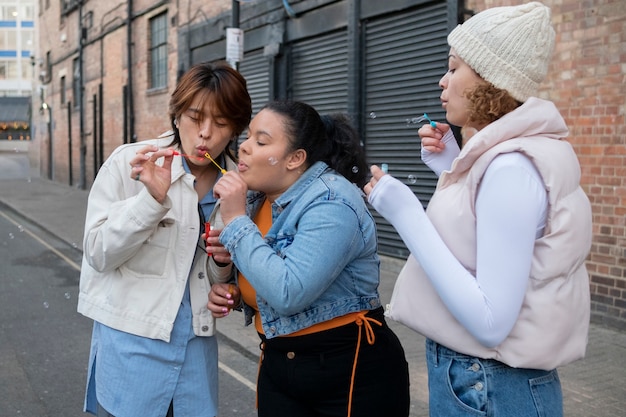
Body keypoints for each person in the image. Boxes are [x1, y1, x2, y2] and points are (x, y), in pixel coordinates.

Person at [364, 2, 592, 416]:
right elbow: (473, 241)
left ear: (490, 78)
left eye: (454, 68)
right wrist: (452, 166)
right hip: (483, 381)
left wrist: (405, 213)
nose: (442, 81)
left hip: (487, 385)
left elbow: (491, 322)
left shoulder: (510, 168)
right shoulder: (511, 158)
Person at [207, 100, 410, 417]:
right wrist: (233, 287)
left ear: (295, 159)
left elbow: (289, 292)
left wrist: (235, 223)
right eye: (246, 137)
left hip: (346, 368)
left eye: (261, 141)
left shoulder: (332, 202)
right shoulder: (256, 198)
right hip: (278, 362)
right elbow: (265, 272)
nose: (243, 147)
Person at [77, 61, 251, 417]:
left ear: (234, 129)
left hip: (196, 345)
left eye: (220, 123)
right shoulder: (131, 163)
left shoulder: (240, 185)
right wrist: (150, 200)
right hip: (132, 340)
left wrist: (226, 274)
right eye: (194, 117)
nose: (205, 134)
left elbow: (225, 275)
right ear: (176, 116)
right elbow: (97, 252)